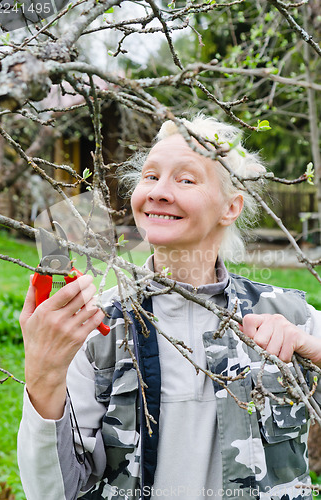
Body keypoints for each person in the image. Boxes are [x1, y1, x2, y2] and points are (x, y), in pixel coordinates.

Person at [18, 115, 321, 500]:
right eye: (150, 176)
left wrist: (312, 350)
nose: (159, 192)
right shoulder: (95, 329)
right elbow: (53, 492)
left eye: (186, 179)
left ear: (231, 207)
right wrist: (43, 375)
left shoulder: (291, 318)